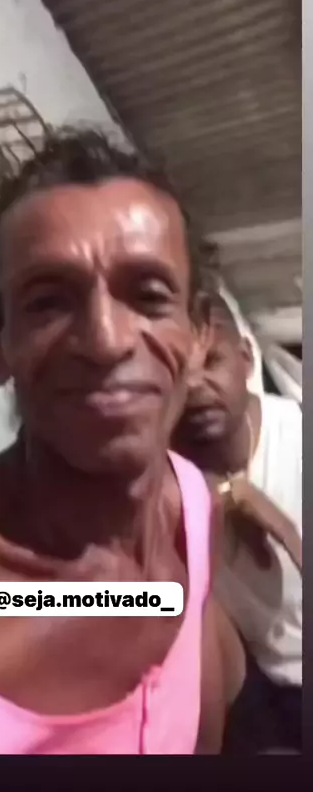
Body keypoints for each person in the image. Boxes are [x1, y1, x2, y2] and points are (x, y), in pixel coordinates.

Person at [0, 130, 237, 756]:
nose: (106, 340)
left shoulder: (192, 509)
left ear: (199, 334)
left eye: (148, 296)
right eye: (48, 303)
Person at [173, 293, 302, 752]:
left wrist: (283, 527)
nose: (195, 386)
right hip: (267, 687)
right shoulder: (165, 477)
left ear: (246, 359)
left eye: (211, 361)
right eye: (177, 372)